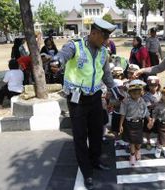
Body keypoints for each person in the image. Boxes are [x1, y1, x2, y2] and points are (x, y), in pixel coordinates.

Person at [51, 18, 124, 190]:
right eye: (104, 37)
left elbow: (107, 76)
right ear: (94, 33)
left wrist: (116, 92)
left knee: (97, 131)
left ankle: (96, 159)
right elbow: (62, 55)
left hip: (95, 97)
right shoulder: (75, 46)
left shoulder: (104, 52)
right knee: (80, 136)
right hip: (77, 100)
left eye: (108, 37)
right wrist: (57, 62)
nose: (107, 41)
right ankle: (87, 171)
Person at [119, 79, 152, 166]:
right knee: (132, 141)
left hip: (139, 124)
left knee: (139, 141)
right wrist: (121, 125)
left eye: (138, 93)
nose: (136, 95)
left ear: (141, 92)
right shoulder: (126, 101)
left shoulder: (142, 101)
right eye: (134, 93)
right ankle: (132, 155)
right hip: (129, 123)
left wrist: (149, 119)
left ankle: (138, 150)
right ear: (129, 92)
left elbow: (146, 112)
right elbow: (123, 113)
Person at [143, 76, 162, 150]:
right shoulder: (145, 95)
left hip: (158, 114)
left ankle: (158, 142)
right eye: (151, 85)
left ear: (158, 86)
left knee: (158, 129)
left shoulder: (160, 94)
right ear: (148, 86)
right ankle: (148, 142)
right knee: (148, 129)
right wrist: (158, 103)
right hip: (149, 114)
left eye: (155, 85)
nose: (153, 87)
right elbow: (149, 106)